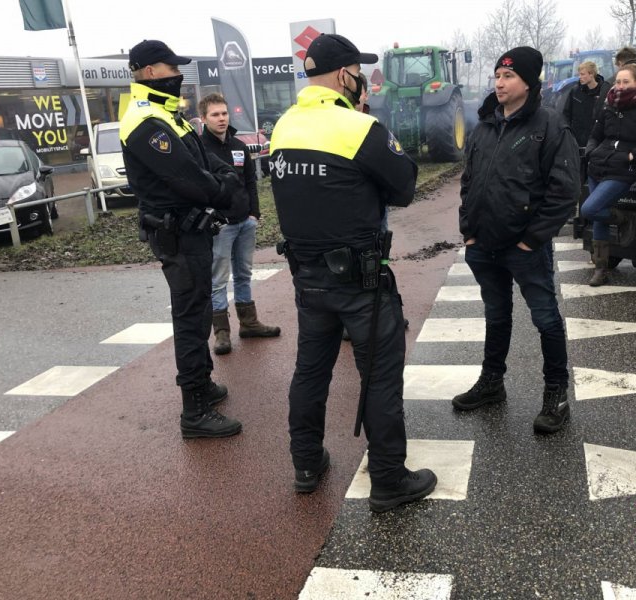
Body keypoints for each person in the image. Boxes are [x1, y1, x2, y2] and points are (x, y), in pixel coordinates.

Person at [269, 33, 437, 512]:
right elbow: (405, 186)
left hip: (308, 279)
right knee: (380, 376)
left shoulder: (283, 126)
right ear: (345, 75)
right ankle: (388, 478)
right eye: (359, 72)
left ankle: (306, 463)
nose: (362, 80)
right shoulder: (358, 127)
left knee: (310, 372)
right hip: (361, 282)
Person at [120, 40, 242, 438]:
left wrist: (223, 177)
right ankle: (195, 410)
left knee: (200, 310)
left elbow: (204, 161)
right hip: (177, 233)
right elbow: (188, 178)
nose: (178, 74)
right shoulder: (144, 120)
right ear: (151, 72)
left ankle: (202, 382)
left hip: (191, 230)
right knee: (190, 318)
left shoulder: (167, 114)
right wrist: (224, 189)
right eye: (172, 68)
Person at [456, 46, 580, 434]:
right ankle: (492, 382)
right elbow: (468, 181)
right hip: (484, 244)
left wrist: (532, 239)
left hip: (524, 248)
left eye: (508, 76)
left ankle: (556, 394)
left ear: (528, 82)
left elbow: (565, 190)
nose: (499, 82)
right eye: (497, 75)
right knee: (496, 314)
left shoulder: (549, 126)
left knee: (546, 319)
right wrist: (468, 231)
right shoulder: (484, 126)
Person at [198, 93, 280, 356]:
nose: (222, 118)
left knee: (244, 275)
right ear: (203, 119)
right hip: (220, 226)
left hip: (246, 222)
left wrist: (254, 214)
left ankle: (249, 323)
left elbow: (250, 182)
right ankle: (222, 333)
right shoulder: (199, 149)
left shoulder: (238, 146)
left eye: (224, 113)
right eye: (215, 115)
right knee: (218, 279)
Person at [582, 64, 636, 287]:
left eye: (626, 82)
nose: (620, 86)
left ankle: (624, 218)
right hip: (597, 165)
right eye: (618, 82)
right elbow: (595, 134)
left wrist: (634, 155)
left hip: (622, 169)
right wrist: (591, 151)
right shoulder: (608, 105)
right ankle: (601, 269)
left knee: (590, 209)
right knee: (597, 216)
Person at [562, 60, 612, 147]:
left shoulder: (604, 93)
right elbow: (566, 113)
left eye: (582, 74)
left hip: (595, 140)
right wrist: (568, 133)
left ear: (591, 74)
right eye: (579, 74)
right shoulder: (575, 91)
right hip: (576, 139)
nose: (580, 77)